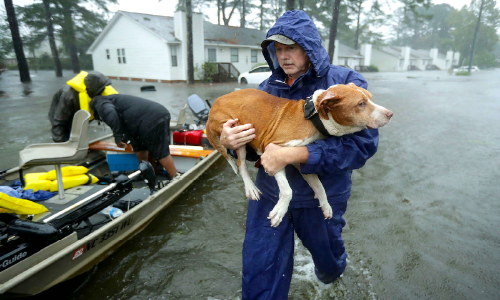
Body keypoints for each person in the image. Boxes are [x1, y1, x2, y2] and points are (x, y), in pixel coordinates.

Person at [220, 10, 380, 299]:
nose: (284, 56)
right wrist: (229, 140)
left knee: (328, 263)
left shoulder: (344, 83)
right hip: (271, 193)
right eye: (278, 49)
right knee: (260, 270)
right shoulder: (266, 90)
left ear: (309, 47)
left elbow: (361, 146)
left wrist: (299, 154)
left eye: (291, 47)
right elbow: (254, 147)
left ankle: (330, 277)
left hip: (322, 196)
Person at [89, 94, 178, 180]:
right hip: (143, 121)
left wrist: (118, 137)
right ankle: (150, 174)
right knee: (139, 149)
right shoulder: (112, 100)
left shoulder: (100, 104)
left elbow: (111, 113)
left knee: (160, 150)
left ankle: (176, 178)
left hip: (152, 117)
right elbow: (122, 119)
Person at [48, 71, 111, 142]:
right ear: (92, 88)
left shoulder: (93, 93)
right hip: (60, 113)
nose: (102, 92)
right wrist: (62, 144)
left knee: (78, 135)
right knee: (65, 133)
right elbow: (58, 122)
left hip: (76, 109)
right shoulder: (69, 96)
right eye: (101, 90)